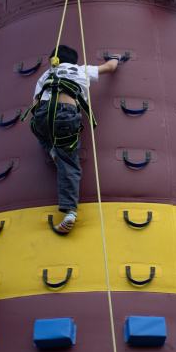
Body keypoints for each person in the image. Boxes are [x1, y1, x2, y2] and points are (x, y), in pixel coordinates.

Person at [28, 45, 122, 233]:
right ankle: (70, 212)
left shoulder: (46, 74)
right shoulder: (81, 70)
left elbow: (35, 104)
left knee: (39, 130)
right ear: (74, 60)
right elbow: (109, 67)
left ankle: (51, 149)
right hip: (67, 115)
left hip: (44, 114)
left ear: (53, 60)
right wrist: (116, 57)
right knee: (69, 164)